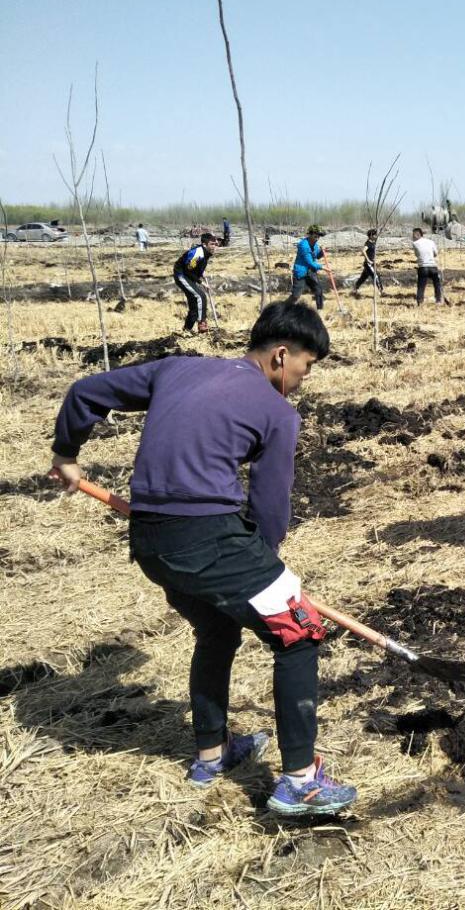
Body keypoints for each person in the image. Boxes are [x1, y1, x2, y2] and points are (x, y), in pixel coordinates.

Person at [48, 301, 358, 815]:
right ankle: (301, 781)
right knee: (299, 631)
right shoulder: (278, 412)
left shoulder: (179, 366)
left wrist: (66, 453)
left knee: (217, 630)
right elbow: (270, 506)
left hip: (150, 540)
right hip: (208, 538)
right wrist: (265, 572)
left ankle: (212, 756)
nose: (304, 379)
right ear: (282, 355)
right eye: (307, 366)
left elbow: (86, 392)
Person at [173, 232, 215, 334]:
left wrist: (201, 274)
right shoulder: (198, 253)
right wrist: (201, 282)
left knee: (194, 305)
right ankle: (202, 323)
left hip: (189, 275)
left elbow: (196, 267)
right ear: (204, 244)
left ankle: (187, 330)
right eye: (212, 244)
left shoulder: (206, 253)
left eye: (215, 244)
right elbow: (188, 270)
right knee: (201, 296)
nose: (214, 246)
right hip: (181, 275)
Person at [287, 225, 326, 310]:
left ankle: (320, 310)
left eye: (318, 236)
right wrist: (322, 267)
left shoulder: (315, 245)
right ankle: (285, 308)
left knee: (318, 290)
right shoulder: (303, 245)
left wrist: (322, 252)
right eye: (315, 236)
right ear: (310, 235)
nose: (317, 238)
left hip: (311, 272)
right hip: (301, 272)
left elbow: (316, 256)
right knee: (296, 296)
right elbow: (309, 262)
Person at [411, 226, 443, 305]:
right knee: (437, 284)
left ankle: (420, 302)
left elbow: (417, 255)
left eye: (413, 235)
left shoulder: (415, 243)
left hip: (423, 267)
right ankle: (438, 300)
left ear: (417, 234)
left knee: (421, 285)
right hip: (433, 266)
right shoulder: (431, 242)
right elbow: (435, 253)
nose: (412, 237)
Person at [353, 228, 380, 296]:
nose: (376, 236)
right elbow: (363, 250)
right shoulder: (368, 243)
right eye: (375, 235)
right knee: (376, 276)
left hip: (371, 263)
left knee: (363, 278)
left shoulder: (372, 242)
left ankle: (355, 288)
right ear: (371, 235)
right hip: (368, 264)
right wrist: (368, 260)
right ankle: (381, 291)